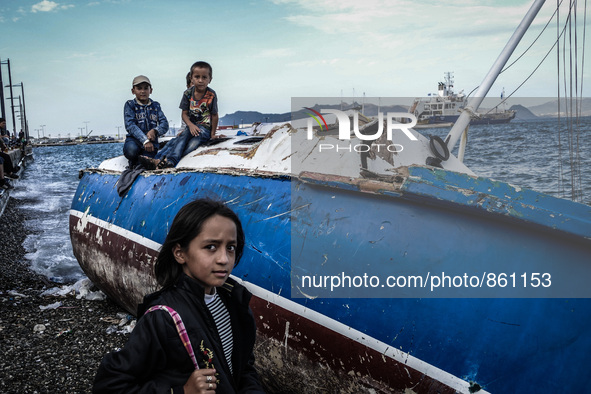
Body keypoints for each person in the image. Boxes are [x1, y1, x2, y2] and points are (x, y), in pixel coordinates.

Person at [93, 199, 265, 393]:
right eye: (211, 247)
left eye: (230, 247)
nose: (224, 259)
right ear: (180, 253)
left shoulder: (234, 302)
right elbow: (109, 385)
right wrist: (182, 391)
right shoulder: (163, 317)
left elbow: (242, 369)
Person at [140, 62, 221, 170]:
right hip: (191, 126)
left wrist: (212, 134)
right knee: (180, 140)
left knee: (192, 144)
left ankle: (168, 161)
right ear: (191, 78)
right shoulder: (187, 94)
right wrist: (190, 125)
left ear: (210, 79)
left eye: (204, 77)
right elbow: (184, 114)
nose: (200, 80)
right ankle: (160, 160)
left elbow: (214, 115)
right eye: (197, 77)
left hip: (204, 129)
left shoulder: (211, 95)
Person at [123, 75, 169, 167]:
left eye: (146, 88)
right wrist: (145, 141)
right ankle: (134, 162)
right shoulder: (130, 105)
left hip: (151, 143)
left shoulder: (156, 106)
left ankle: (139, 163)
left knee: (147, 161)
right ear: (133, 91)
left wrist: (155, 131)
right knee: (131, 151)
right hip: (134, 140)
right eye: (139, 88)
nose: (143, 91)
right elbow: (130, 125)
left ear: (150, 90)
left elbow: (164, 124)